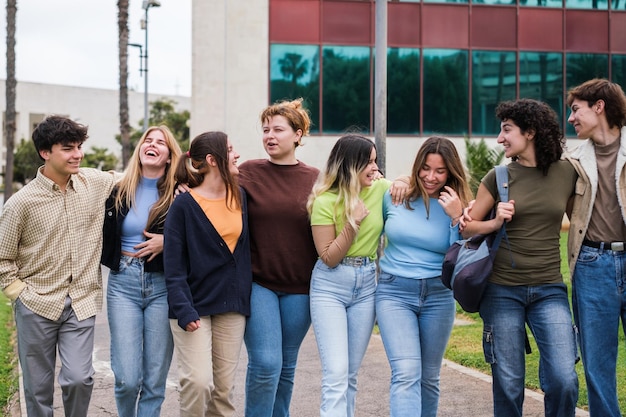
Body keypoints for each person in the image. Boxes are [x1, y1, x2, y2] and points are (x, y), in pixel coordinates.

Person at [462, 99, 579, 417]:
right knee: (509, 383)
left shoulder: (566, 172)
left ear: (530, 132)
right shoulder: (497, 176)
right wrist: (496, 220)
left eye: (506, 130)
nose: (500, 138)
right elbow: (467, 227)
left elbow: (579, 224)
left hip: (549, 290)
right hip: (501, 291)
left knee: (564, 379)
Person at [0, 115, 118, 416]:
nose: (77, 154)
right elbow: (3, 257)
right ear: (45, 152)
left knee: (79, 378)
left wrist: (180, 178)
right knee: (37, 390)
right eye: (68, 148)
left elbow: (130, 177)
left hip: (80, 301)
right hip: (36, 304)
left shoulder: (93, 182)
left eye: (79, 147)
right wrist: (19, 294)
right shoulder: (21, 203)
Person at [376, 136, 472, 417]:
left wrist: (457, 217)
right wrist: (402, 180)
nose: (430, 177)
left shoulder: (458, 203)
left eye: (440, 171)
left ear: (451, 172)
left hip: (439, 295)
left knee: (429, 377)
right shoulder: (395, 195)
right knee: (406, 372)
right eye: (425, 168)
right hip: (394, 292)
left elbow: (462, 254)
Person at [238, 99, 320, 417]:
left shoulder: (316, 179)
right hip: (259, 283)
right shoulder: (248, 172)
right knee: (265, 363)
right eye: (265, 130)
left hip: (301, 287)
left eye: (278, 130)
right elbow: (212, 200)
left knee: (286, 366)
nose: (270, 135)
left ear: (298, 135)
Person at [164, 131, 252, 417]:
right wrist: (183, 309)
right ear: (213, 160)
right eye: (230, 149)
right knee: (198, 383)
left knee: (223, 391)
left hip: (232, 305)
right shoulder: (183, 205)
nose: (237, 154)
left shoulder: (241, 196)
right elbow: (174, 267)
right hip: (193, 307)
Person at [307, 134, 390, 417]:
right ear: (350, 165)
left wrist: (403, 182)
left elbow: (408, 186)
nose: (375, 168)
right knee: (336, 372)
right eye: (368, 162)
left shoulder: (380, 189)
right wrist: (353, 222)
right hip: (330, 286)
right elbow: (329, 258)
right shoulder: (324, 201)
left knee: (351, 373)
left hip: (366, 284)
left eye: (376, 161)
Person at [101, 125, 181, 416]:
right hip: (123, 282)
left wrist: (167, 242)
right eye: (148, 140)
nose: (153, 145)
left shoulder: (180, 193)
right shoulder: (118, 189)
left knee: (154, 380)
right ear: (140, 149)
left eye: (161, 143)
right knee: (126, 379)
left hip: (163, 286)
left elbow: (200, 237)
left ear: (170, 157)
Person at [565, 78, 626, 417]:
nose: (571, 118)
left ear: (599, 107)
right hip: (592, 264)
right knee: (597, 363)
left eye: (576, 110)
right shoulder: (571, 158)